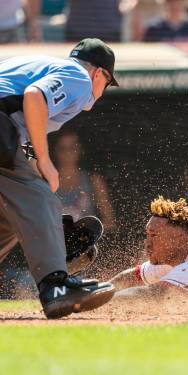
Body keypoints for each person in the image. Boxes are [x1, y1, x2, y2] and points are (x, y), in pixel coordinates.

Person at [0, 38, 118, 319]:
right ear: (99, 73)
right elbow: (34, 96)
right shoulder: (78, 75)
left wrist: (31, 160)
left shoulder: (35, 62)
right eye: (107, 84)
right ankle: (56, 287)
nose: (101, 93)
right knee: (38, 196)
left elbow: (18, 115)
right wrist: (43, 159)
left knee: (9, 216)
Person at [54, 131, 116, 230]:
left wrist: (86, 233)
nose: (68, 153)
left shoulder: (93, 181)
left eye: (72, 148)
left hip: (85, 241)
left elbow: (109, 221)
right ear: (55, 151)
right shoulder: (45, 182)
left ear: (80, 150)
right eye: (63, 149)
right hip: (55, 242)